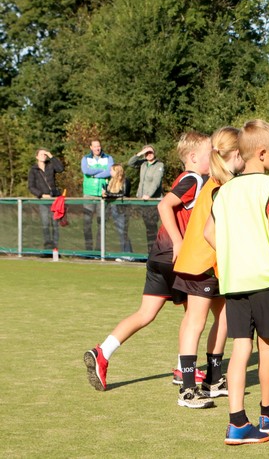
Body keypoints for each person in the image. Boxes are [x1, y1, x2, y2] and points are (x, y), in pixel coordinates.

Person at [83, 131, 211, 393]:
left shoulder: (185, 178)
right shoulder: (194, 179)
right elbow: (164, 206)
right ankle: (183, 367)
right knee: (194, 313)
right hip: (176, 257)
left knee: (146, 314)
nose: (214, 157)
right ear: (193, 157)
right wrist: (178, 241)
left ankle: (103, 352)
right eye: (211, 153)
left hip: (158, 256)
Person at [204, 119, 269, 444]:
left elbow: (209, 233)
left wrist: (234, 255)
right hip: (266, 277)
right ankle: (268, 414)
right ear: (262, 153)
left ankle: (237, 422)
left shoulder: (223, 191)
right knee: (267, 345)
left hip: (234, 280)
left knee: (240, 347)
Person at [173, 127, 244, 408]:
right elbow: (210, 233)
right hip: (200, 263)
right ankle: (187, 389)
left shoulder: (222, 182)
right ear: (236, 154)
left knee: (225, 318)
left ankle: (213, 380)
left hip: (214, 265)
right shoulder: (218, 187)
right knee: (196, 322)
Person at [127, 144, 165, 252]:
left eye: (150, 152)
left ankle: (155, 251)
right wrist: (140, 153)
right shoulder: (143, 164)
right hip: (143, 202)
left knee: (152, 227)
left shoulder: (159, 165)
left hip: (152, 201)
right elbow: (130, 163)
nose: (149, 154)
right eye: (146, 153)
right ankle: (150, 251)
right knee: (148, 227)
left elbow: (156, 182)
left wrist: (148, 194)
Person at [81, 139, 114, 251]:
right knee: (87, 223)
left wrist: (95, 174)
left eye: (98, 146)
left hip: (103, 195)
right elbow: (86, 171)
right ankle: (88, 250)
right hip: (88, 194)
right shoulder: (85, 158)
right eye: (94, 146)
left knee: (102, 223)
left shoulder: (109, 158)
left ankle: (99, 250)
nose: (97, 148)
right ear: (91, 147)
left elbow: (109, 171)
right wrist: (101, 169)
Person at [27, 148, 64, 249]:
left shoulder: (50, 165)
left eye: (45, 154)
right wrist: (41, 195)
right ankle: (47, 248)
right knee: (45, 224)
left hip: (54, 200)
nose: (44, 156)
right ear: (36, 157)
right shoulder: (33, 170)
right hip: (43, 201)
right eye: (41, 154)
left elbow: (60, 169)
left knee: (55, 225)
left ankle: (55, 248)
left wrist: (51, 156)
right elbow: (31, 187)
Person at [102, 164, 132, 254]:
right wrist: (104, 194)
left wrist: (109, 195)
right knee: (120, 232)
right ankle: (125, 253)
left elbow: (124, 193)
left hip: (122, 209)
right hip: (114, 208)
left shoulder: (125, 180)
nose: (110, 172)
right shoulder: (111, 181)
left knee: (123, 232)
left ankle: (127, 254)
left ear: (117, 171)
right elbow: (108, 194)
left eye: (112, 170)